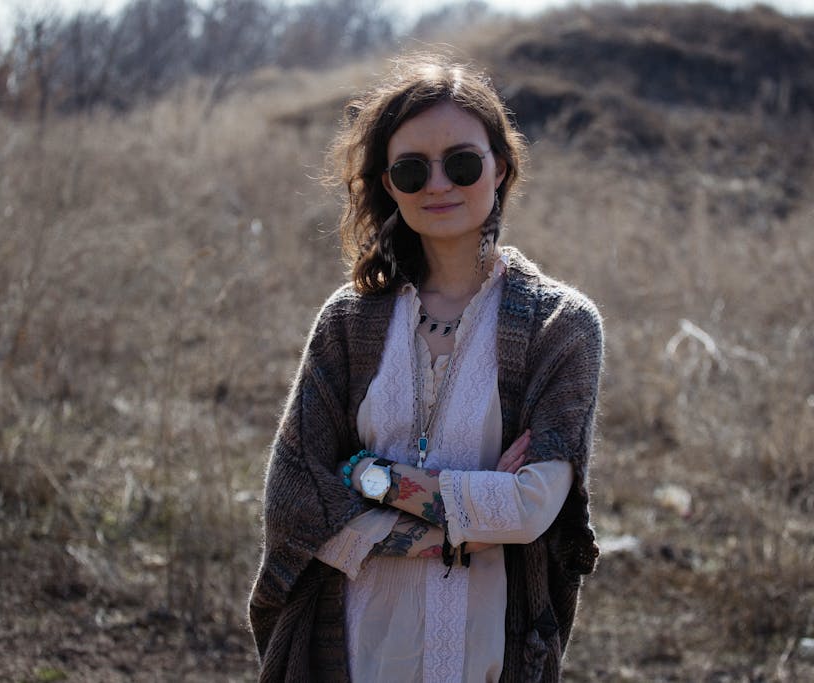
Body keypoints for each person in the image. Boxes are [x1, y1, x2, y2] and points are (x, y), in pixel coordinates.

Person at [247, 54, 604, 683]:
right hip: (353, 653)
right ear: (389, 186)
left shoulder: (561, 327)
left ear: (501, 165)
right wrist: (459, 531)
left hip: (487, 657)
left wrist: (367, 474)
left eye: (462, 162)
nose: (438, 184)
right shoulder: (348, 322)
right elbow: (296, 502)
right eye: (412, 170)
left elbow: (527, 510)